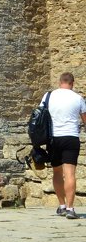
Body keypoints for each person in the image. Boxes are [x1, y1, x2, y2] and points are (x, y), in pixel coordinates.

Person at [47, 72, 86, 220]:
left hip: (54, 138)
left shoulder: (49, 96)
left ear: (59, 82)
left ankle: (61, 205)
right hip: (70, 137)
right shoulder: (78, 98)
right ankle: (70, 209)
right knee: (70, 173)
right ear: (72, 83)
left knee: (57, 172)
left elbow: (41, 115)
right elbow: (85, 120)